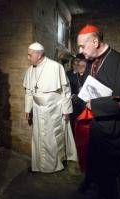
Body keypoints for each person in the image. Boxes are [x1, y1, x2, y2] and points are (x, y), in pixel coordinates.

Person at [76, 24, 120, 198]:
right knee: (92, 156)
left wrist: (94, 105)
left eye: (83, 46)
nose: (80, 50)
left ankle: (105, 191)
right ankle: (89, 179)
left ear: (95, 41)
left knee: (107, 170)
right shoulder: (91, 62)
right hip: (95, 123)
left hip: (112, 127)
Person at [23, 42, 78, 173]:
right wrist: (27, 108)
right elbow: (29, 91)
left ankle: (54, 165)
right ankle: (39, 165)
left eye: (30, 55)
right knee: (39, 138)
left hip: (53, 110)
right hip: (37, 109)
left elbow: (65, 90)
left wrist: (66, 110)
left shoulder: (55, 67)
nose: (28, 57)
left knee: (51, 139)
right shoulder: (30, 70)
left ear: (39, 55)